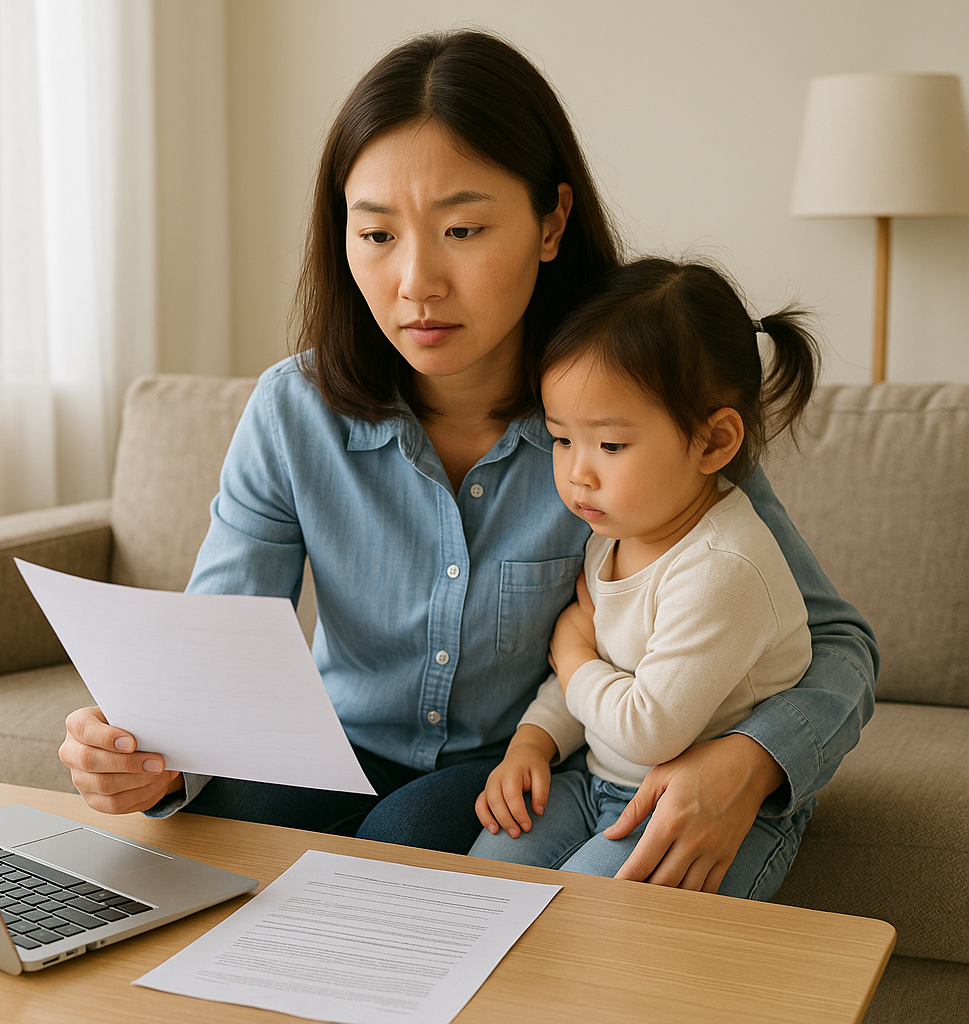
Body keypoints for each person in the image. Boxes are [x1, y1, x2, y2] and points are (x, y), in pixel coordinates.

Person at [58, 30, 878, 894]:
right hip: (332, 749)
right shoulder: (293, 410)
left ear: (551, 222)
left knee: (405, 837)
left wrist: (750, 759)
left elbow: (837, 643)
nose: (417, 281)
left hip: (517, 769)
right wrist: (144, 759)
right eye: (377, 233)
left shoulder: (631, 410)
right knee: (190, 841)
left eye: (462, 229)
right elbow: (209, 661)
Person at [470, 258, 823, 897]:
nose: (578, 473)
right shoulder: (614, 533)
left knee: (589, 922)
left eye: (610, 446)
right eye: (561, 439)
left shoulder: (723, 567)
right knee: (484, 881)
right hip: (599, 779)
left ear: (713, 443)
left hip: (704, 808)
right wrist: (533, 743)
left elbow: (646, 727)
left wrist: (570, 651)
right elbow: (597, 675)